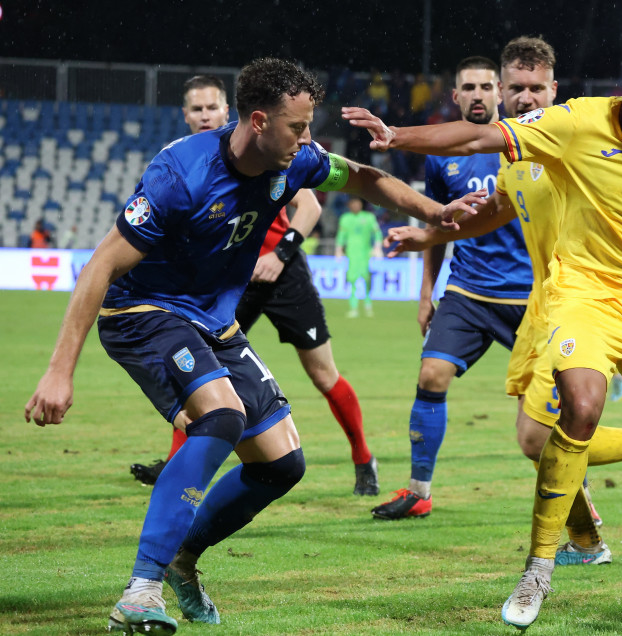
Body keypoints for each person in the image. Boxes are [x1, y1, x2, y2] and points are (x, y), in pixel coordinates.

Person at [24, 57, 482, 635]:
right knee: (220, 416)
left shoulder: (296, 160)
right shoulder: (180, 174)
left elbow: (365, 177)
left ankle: (182, 560)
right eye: (298, 127)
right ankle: (139, 590)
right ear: (260, 121)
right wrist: (59, 372)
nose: (308, 139)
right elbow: (99, 267)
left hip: (215, 322)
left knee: (282, 463)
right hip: (144, 312)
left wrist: (436, 212)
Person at [345, 33, 622, 635]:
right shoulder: (572, 126)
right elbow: (486, 163)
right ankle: (539, 567)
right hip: (575, 295)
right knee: (575, 409)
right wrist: (398, 140)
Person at [382, 35, 622, 566]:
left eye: (536, 88)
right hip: (544, 309)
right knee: (536, 438)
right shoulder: (520, 151)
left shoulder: (578, 138)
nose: (526, 98)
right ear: (505, 90)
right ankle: (588, 541)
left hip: (589, 305)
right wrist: (425, 239)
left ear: (554, 89)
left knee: (539, 436)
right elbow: (500, 210)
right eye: (516, 89)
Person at [129, 74, 382, 498]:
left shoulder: (265, 150)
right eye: (198, 109)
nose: (206, 115)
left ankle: (363, 458)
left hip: (282, 275)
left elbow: (309, 204)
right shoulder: (183, 165)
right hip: (225, 281)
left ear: (230, 111)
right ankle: (177, 465)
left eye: (213, 107)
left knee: (323, 374)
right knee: (199, 376)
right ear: (186, 116)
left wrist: (281, 253)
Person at [367, 56, 535, 521]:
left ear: (499, 92)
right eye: (469, 87)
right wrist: (427, 293)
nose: (478, 94)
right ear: (456, 96)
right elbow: (438, 225)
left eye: (486, 86)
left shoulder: (527, 142)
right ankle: (419, 490)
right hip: (469, 291)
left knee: (539, 418)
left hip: (531, 295)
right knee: (431, 375)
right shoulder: (445, 156)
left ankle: (582, 509)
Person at [335, 196, 382, 317]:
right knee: (352, 280)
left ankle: (368, 304)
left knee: (366, 279)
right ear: (349, 205)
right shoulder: (345, 218)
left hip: (365, 253)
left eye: (357, 203)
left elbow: (377, 233)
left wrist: (377, 248)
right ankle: (353, 307)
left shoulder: (369, 217)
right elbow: (341, 236)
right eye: (353, 203)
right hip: (351, 254)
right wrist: (338, 250)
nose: (355, 205)